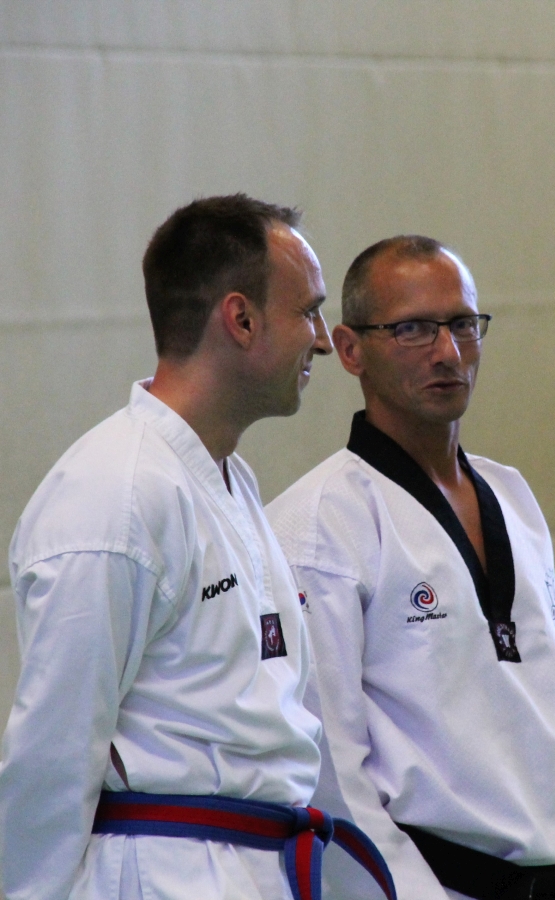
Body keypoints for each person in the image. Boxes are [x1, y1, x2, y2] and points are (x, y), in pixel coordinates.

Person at [0, 194, 338, 900]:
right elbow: (53, 755)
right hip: (163, 874)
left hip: (252, 863)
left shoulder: (226, 478)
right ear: (241, 319)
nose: (323, 341)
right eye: (308, 311)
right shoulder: (115, 494)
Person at [266, 235, 555, 900]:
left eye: (463, 325)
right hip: (424, 884)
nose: (447, 352)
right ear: (350, 349)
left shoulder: (513, 497)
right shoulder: (318, 525)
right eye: (412, 329)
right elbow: (329, 774)